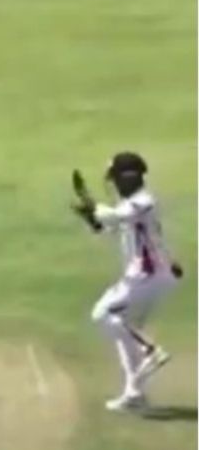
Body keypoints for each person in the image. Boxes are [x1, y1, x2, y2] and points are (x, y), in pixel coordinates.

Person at [72, 151, 182, 411]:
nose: (113, 184)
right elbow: (109, 225)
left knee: (103, 314)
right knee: (122, 328)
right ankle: (134, 393)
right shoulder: (130, 204)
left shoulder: (144, 201)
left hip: (149, 276)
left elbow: (116, 217)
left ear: (129, 177)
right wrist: (91, 217)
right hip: (146, 276)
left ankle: (151, 351)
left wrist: (94, 208)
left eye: (115, 178)